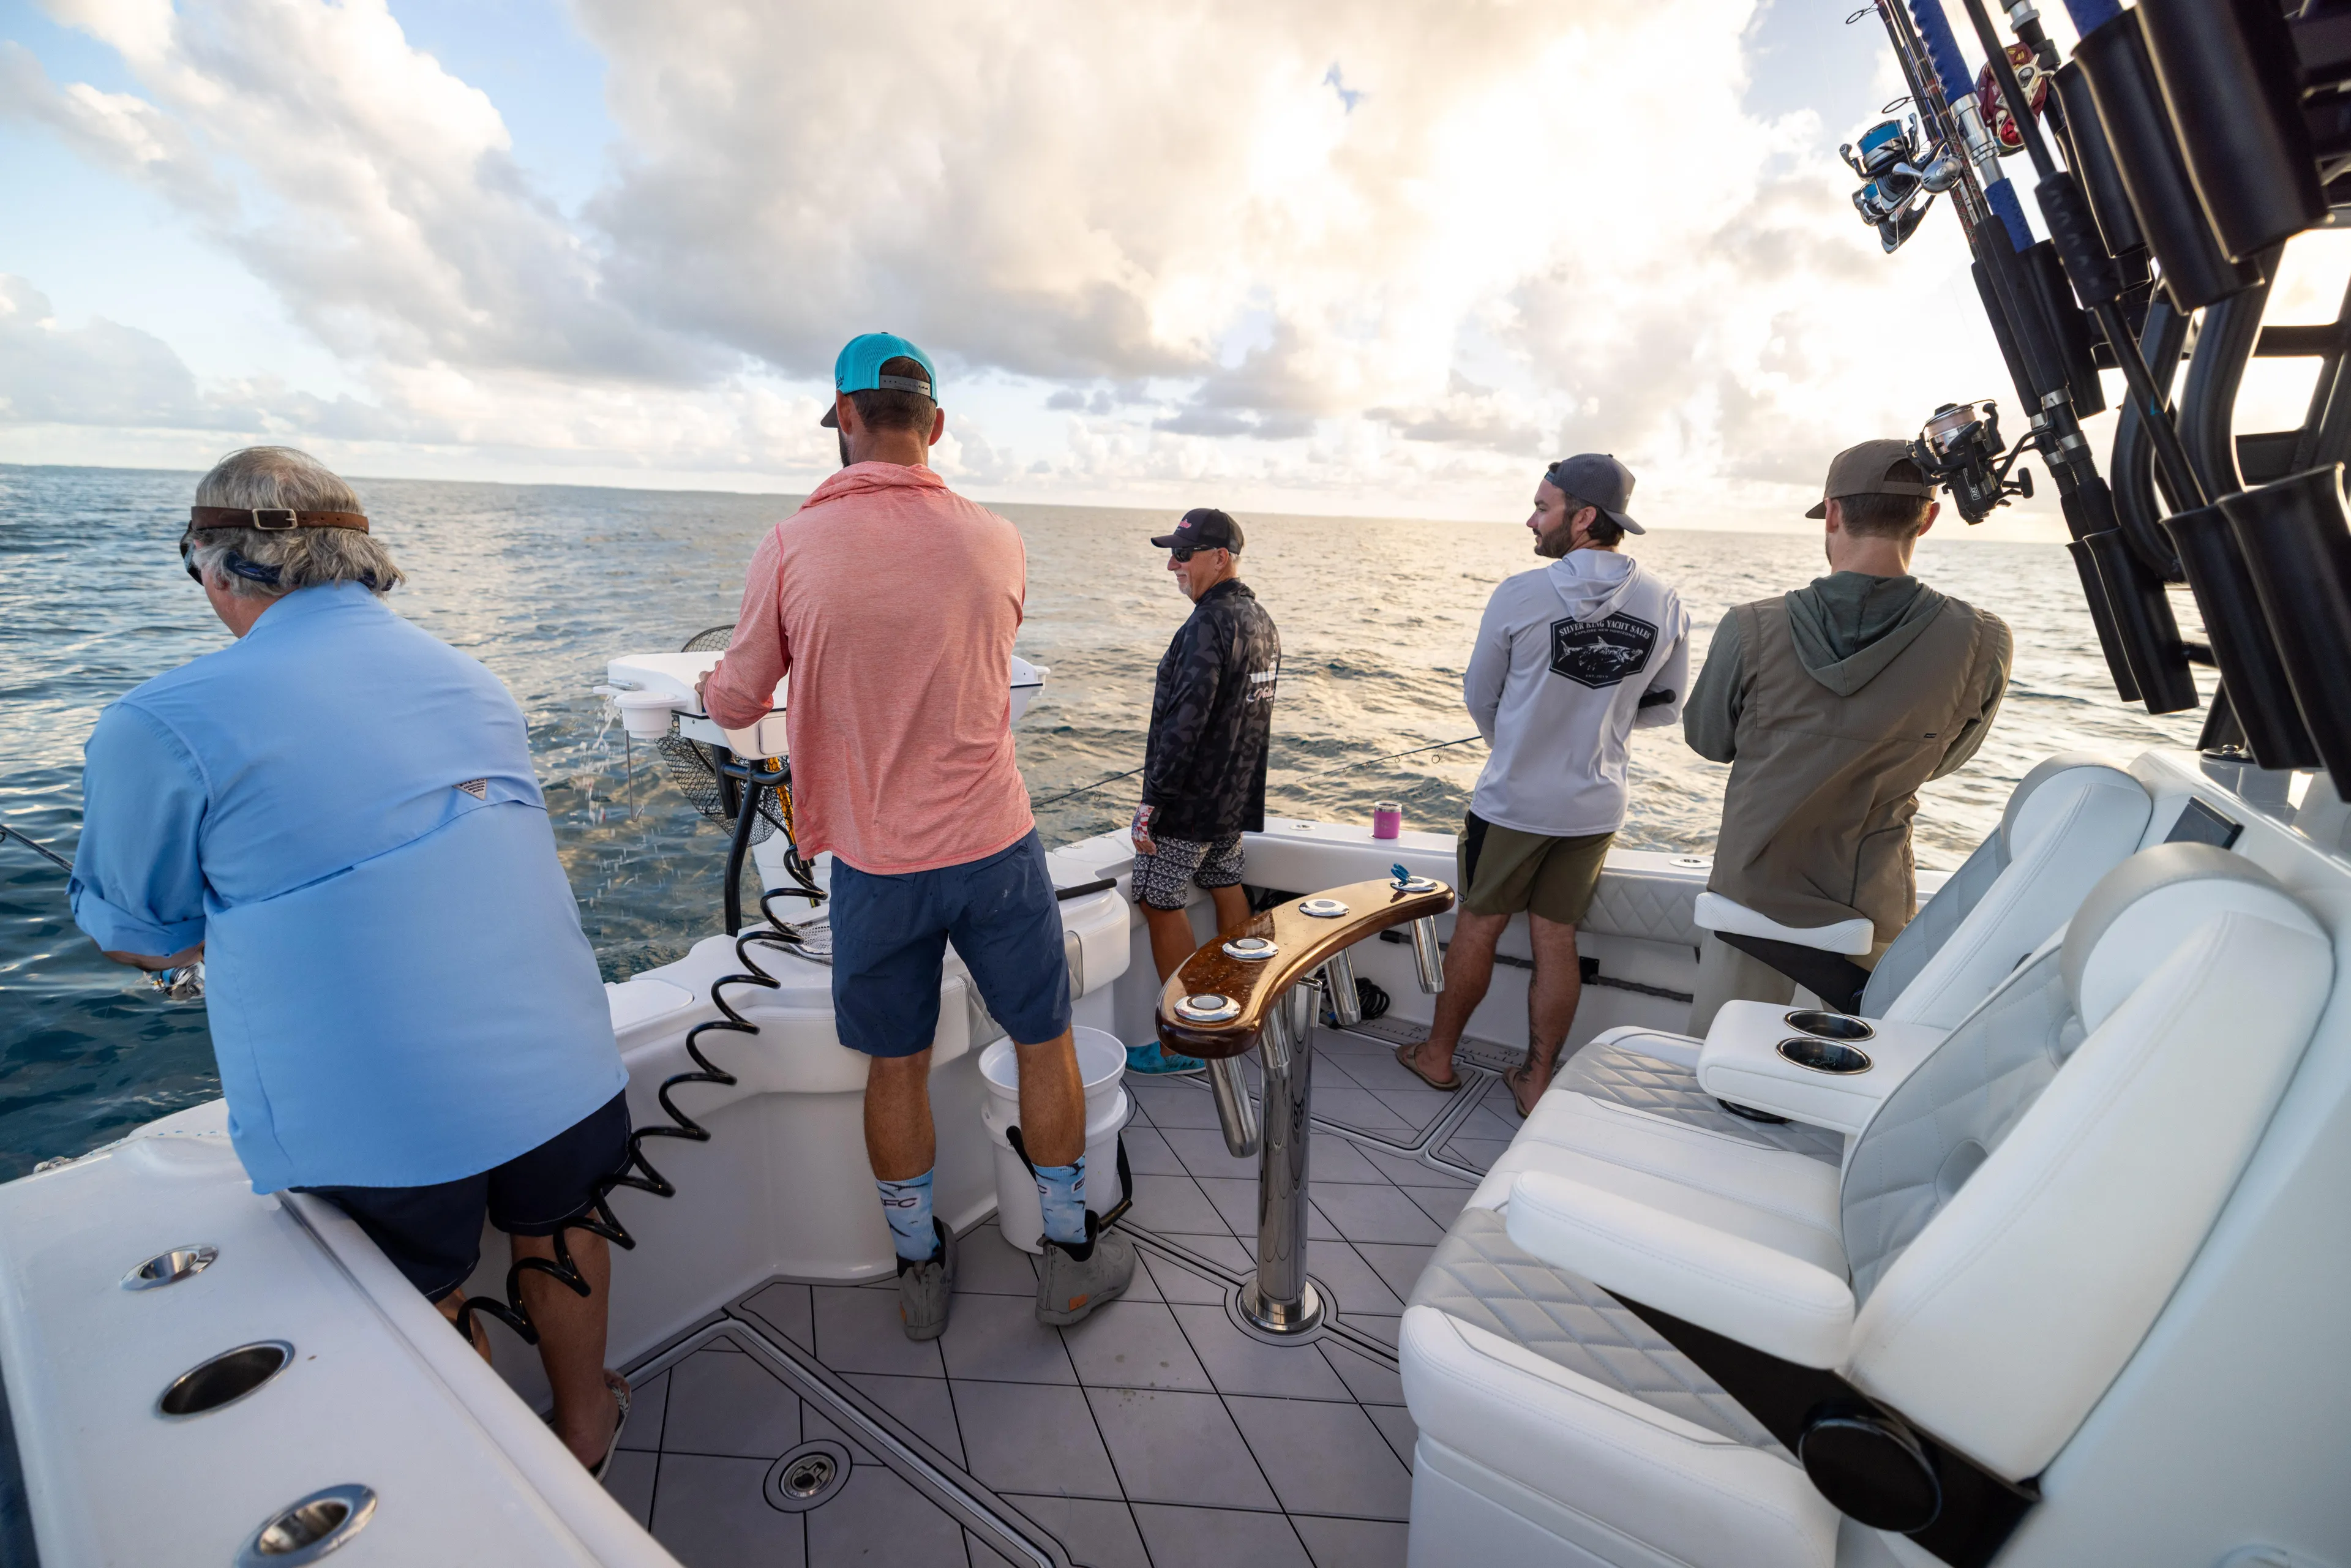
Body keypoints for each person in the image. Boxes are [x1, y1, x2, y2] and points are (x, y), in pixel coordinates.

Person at [70, 448, 634, 1472]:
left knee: (424, 1293)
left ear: (214, 566)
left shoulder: (159, 722)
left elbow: (137, 934)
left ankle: (514, 1488)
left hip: (384, 1115)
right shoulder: (474, 678)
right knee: (562, 1222)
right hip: (565, 1058)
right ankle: (587, 1425)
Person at [699, 332, 1133, 1339]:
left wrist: (716, 685)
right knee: (1044, 1043)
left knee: (893, 1066)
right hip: (996, 848)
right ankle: (1070, 1258)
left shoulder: (790, 546)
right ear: (934, 426)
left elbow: (735, 702)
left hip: (877, 864)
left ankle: (918, 1269)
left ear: (846, 418)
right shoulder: (999, 539)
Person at [1681, 438, 2011, 1033]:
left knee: (1720, 1062)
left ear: (1833, 513)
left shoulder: (1750, 626)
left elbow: (1708, 739)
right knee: (1845, 1072)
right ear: (1928, 518)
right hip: (1868, 914)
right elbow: (1946, 760)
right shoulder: (1984, 640)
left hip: (1749, 901)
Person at [1398, 455, 1689, 1117]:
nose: (1531, 520)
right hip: (1595, 807)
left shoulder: (1520, 594)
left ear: (1583, 518)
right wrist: (1601, 718)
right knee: (1556, 938)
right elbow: (1668, 706)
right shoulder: (1664, 600)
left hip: (1514, 802)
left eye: (1541, 507)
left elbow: (1480, 695)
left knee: (1478, 927)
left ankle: (1437, 1056)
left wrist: (1519, 741)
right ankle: (1535, 1080)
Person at [1127, 508, 1282, 1075]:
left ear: (1220, 558)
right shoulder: (1261, 620)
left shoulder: (1205, 626)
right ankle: (1240, 1009)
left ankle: (1185, 1043)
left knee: (1157, 898)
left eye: (1183, 554)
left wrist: (1153, 803)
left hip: (1189, 806)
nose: (1173, 565)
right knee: (1224, 882)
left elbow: (1184, 726)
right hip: (1233, 802)